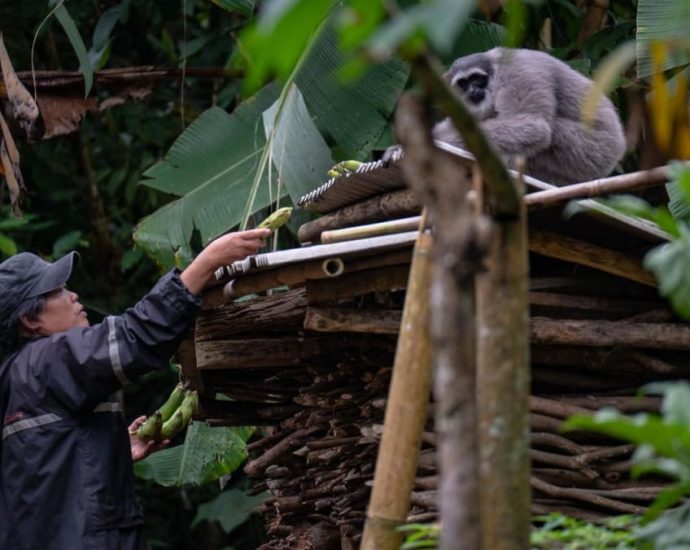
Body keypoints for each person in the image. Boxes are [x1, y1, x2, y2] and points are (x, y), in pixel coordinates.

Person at [0, 228, 270, 550]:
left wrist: (112, 451)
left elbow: (41, 472)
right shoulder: (49, 360)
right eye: (58, 290)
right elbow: (135, 337)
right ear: (31, 320)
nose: (72, 296)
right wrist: (206, 263)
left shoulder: (17, 376)